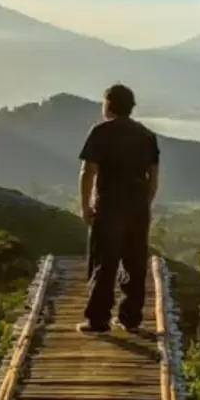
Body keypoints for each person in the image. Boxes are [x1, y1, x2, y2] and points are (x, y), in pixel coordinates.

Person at [76, 84, 160, 333]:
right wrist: (145, 204)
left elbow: (88, 172)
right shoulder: (146, 135)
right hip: (137, 206)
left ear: (109, 104)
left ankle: (98, 320)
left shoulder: (101, 132)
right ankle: (130, 318)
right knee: (135, 263)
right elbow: (153, 177)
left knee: (104, 261)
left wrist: (85, 206)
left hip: (109, 205)